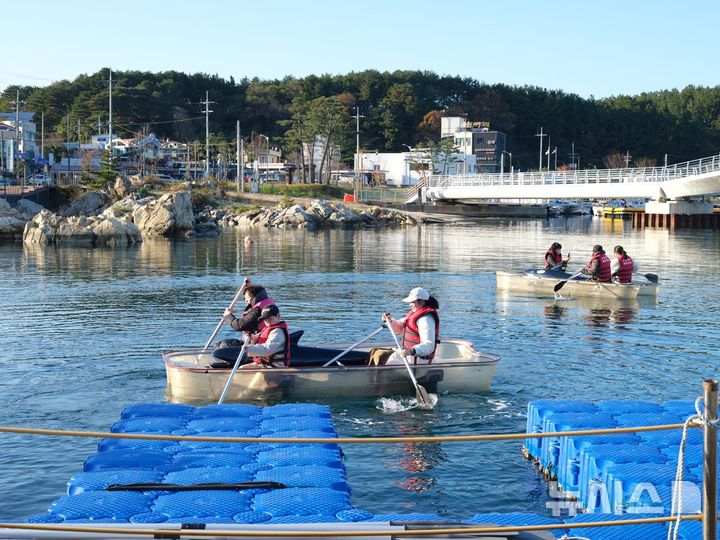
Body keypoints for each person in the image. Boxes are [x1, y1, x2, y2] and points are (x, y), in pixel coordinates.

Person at [381, 287, 440, 366]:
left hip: (418, 362)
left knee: (388, 365)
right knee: (382, 356)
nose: (410, 305)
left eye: (412, 302)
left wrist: (412, 351)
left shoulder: (426, 320)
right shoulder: (414, 313)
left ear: (421, 302)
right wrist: (389, 321)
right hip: (409, 356)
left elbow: (429, 345)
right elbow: (401, 327)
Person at [241, 305, 291, 369]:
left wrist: (248, 349)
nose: (267, 322)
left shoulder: (278, 332)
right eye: (265, 320)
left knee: (243, 371)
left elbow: (268, 349)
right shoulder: (269, 328)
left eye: (269, 319)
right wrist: (252, 337)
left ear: (278, 316)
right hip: (264, 364)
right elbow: (259, 338)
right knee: (242, 369)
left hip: (274, 367)